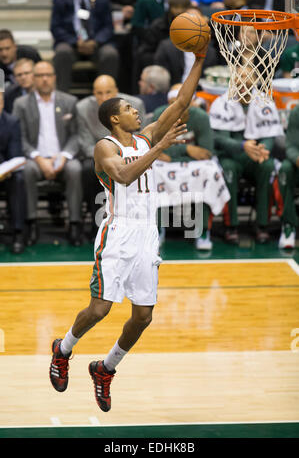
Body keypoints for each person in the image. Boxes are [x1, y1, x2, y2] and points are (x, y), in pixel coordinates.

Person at [49, 43, 209, 412]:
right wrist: (160, 148)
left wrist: (199, 59)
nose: (136, 111)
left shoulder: (146, 136)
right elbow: (122, 175)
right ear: (115, 119)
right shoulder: (104, 147)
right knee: (100, 309)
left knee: (143, 316)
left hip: (147, 234)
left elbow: (181, 103)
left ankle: (105, 369)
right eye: (128, 109)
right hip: (118, 232)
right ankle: (64, 348)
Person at [210, 67, 284, 244]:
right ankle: (231, 225)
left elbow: (270, 134)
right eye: (238, 75)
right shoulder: (221, 102)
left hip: (254, 156)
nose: (242, 80)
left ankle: (262, 225)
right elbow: (219, 139)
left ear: (257, 79)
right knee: (227, 169)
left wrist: (263, 150)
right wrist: (243, 146)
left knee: (267, 166)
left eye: (247, 76)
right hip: (231, 156)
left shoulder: (265, 101)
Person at [12, 61, 83, 247]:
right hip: (36, 158)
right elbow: (20, 137)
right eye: (40, 76)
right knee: (26, 170)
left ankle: (75, 223)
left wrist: (64, 156)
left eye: (48, 75)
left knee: (75, 168)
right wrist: (38, 157)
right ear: (33, 79)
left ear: (54, 78)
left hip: (62, 158)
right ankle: (32, 223)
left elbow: (76, 135)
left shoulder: (69, 101)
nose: (44, 79)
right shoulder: (21, 104)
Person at [152, 83, 229, 250]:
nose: (178, 107)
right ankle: (157, 229)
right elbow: (154, 150)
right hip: (166, 165)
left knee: (208, 172)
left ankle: (202, 231)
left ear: (192, 102)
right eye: (174, 103)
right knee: (152, 172)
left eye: (183, 103)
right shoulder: (160, 116)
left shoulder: (200, 116)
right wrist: (187, 148)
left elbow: (207, 152)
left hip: (192, 165)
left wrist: (173, 152)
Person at [76, 74, 146, 237]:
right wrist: (104, 158)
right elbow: (85, 143)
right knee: (88, 169)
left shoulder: (135, 105)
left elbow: (142, 136)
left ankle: (137, 219)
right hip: (99, 156)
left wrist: (125, 155)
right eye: (99, 93)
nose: (104, 97)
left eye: (108, 92)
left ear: (117, 91)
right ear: (93, 93)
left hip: (130, 153)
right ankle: (96, 220)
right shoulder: (82, 108)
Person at [50, 0, 119, 93]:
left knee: (110, 54)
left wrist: (95, 41)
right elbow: (55, 27)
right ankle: (62, 97)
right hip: (71, 44)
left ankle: (107, 98)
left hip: (96, 44)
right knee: (62, 52)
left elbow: (108, 27)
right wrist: (74, 42)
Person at [0, 92, 26, 254]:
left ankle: (18, 233)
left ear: (2, 103)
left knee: (18, 179)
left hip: (4, 169)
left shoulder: (12, 122)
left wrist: (5, 170)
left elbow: (15, 154)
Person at [277, 103, 299, 249]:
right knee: (285, 169)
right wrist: (297, 159)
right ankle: (289, 225)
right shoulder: (297, 112)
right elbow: (290, 145)